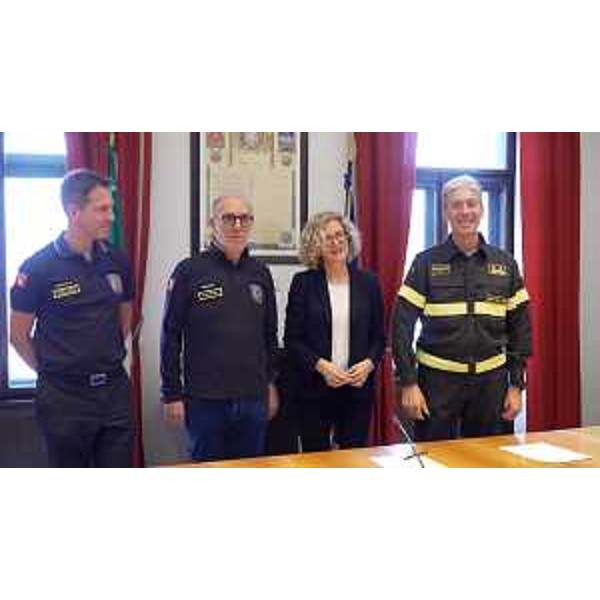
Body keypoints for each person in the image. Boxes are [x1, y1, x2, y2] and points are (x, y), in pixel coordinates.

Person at [10, 169, 135, 468]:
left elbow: (125, 317)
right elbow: (17, 336)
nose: (111, 217)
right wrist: (53, 371)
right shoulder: (37, 268)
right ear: (74, 211)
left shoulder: (117, 259)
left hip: (113, 391)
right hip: (64, 397)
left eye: (112, 208)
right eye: (102, 209)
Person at [392, 175, 532, 442]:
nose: (465, 211)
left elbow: (521, 330)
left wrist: (516, 386)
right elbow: (401, 326)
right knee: (434, 458)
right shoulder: (425, 263)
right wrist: (409, 383)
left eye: (471, 204)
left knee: (489, 457)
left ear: (482, 209)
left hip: (491, 384)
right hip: (437, 383)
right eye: (456, 205)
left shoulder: (506, 264)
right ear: (446, 212)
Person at [160, 195, 279, 462]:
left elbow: (269, 335)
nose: (237, 225)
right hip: (205, 401)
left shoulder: (260, 273)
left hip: (253, 399)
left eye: (244, 218)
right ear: (212, 223)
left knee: (250, 471)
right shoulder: (189, 271)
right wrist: (171, 394)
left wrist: (270, 384)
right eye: (228, 218)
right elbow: (170, 335)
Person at [284, 212, 385, 452]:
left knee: (352, 459)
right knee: (316, 460)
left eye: (340, 235)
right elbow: (292, 339)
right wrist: (322, 366)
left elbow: (379, 337)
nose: (336, 242)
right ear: (315, 246)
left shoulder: (369, 283)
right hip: (314, 389)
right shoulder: (303, 283)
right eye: (327, 238)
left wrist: (369, 364)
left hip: (357, 388)